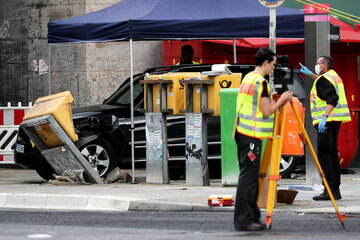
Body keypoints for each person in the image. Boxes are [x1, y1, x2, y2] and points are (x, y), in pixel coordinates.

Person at [233, 47, 293, 231]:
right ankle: (244, 220)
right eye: (273, 64)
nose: (274, 68)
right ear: (266, 62)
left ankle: (252, 217)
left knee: (249, 177)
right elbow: (267, 111)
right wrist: (282, 100)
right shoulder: (261, 83)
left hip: (242, 132)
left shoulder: (248, 78)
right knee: (249, 179)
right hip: (252, 134)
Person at [299, 56, 351, 201]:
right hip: (335, 121)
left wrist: (324, 118)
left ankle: (328, 191)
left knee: (325, 157)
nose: (316, 65)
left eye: (318, 63)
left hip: (327, 123)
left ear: (323, 66)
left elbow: (331, 98)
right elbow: (324, 85)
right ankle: (335, 190)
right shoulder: (333, 76)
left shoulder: (325, 79)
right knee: (332, 155)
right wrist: (310, 74)